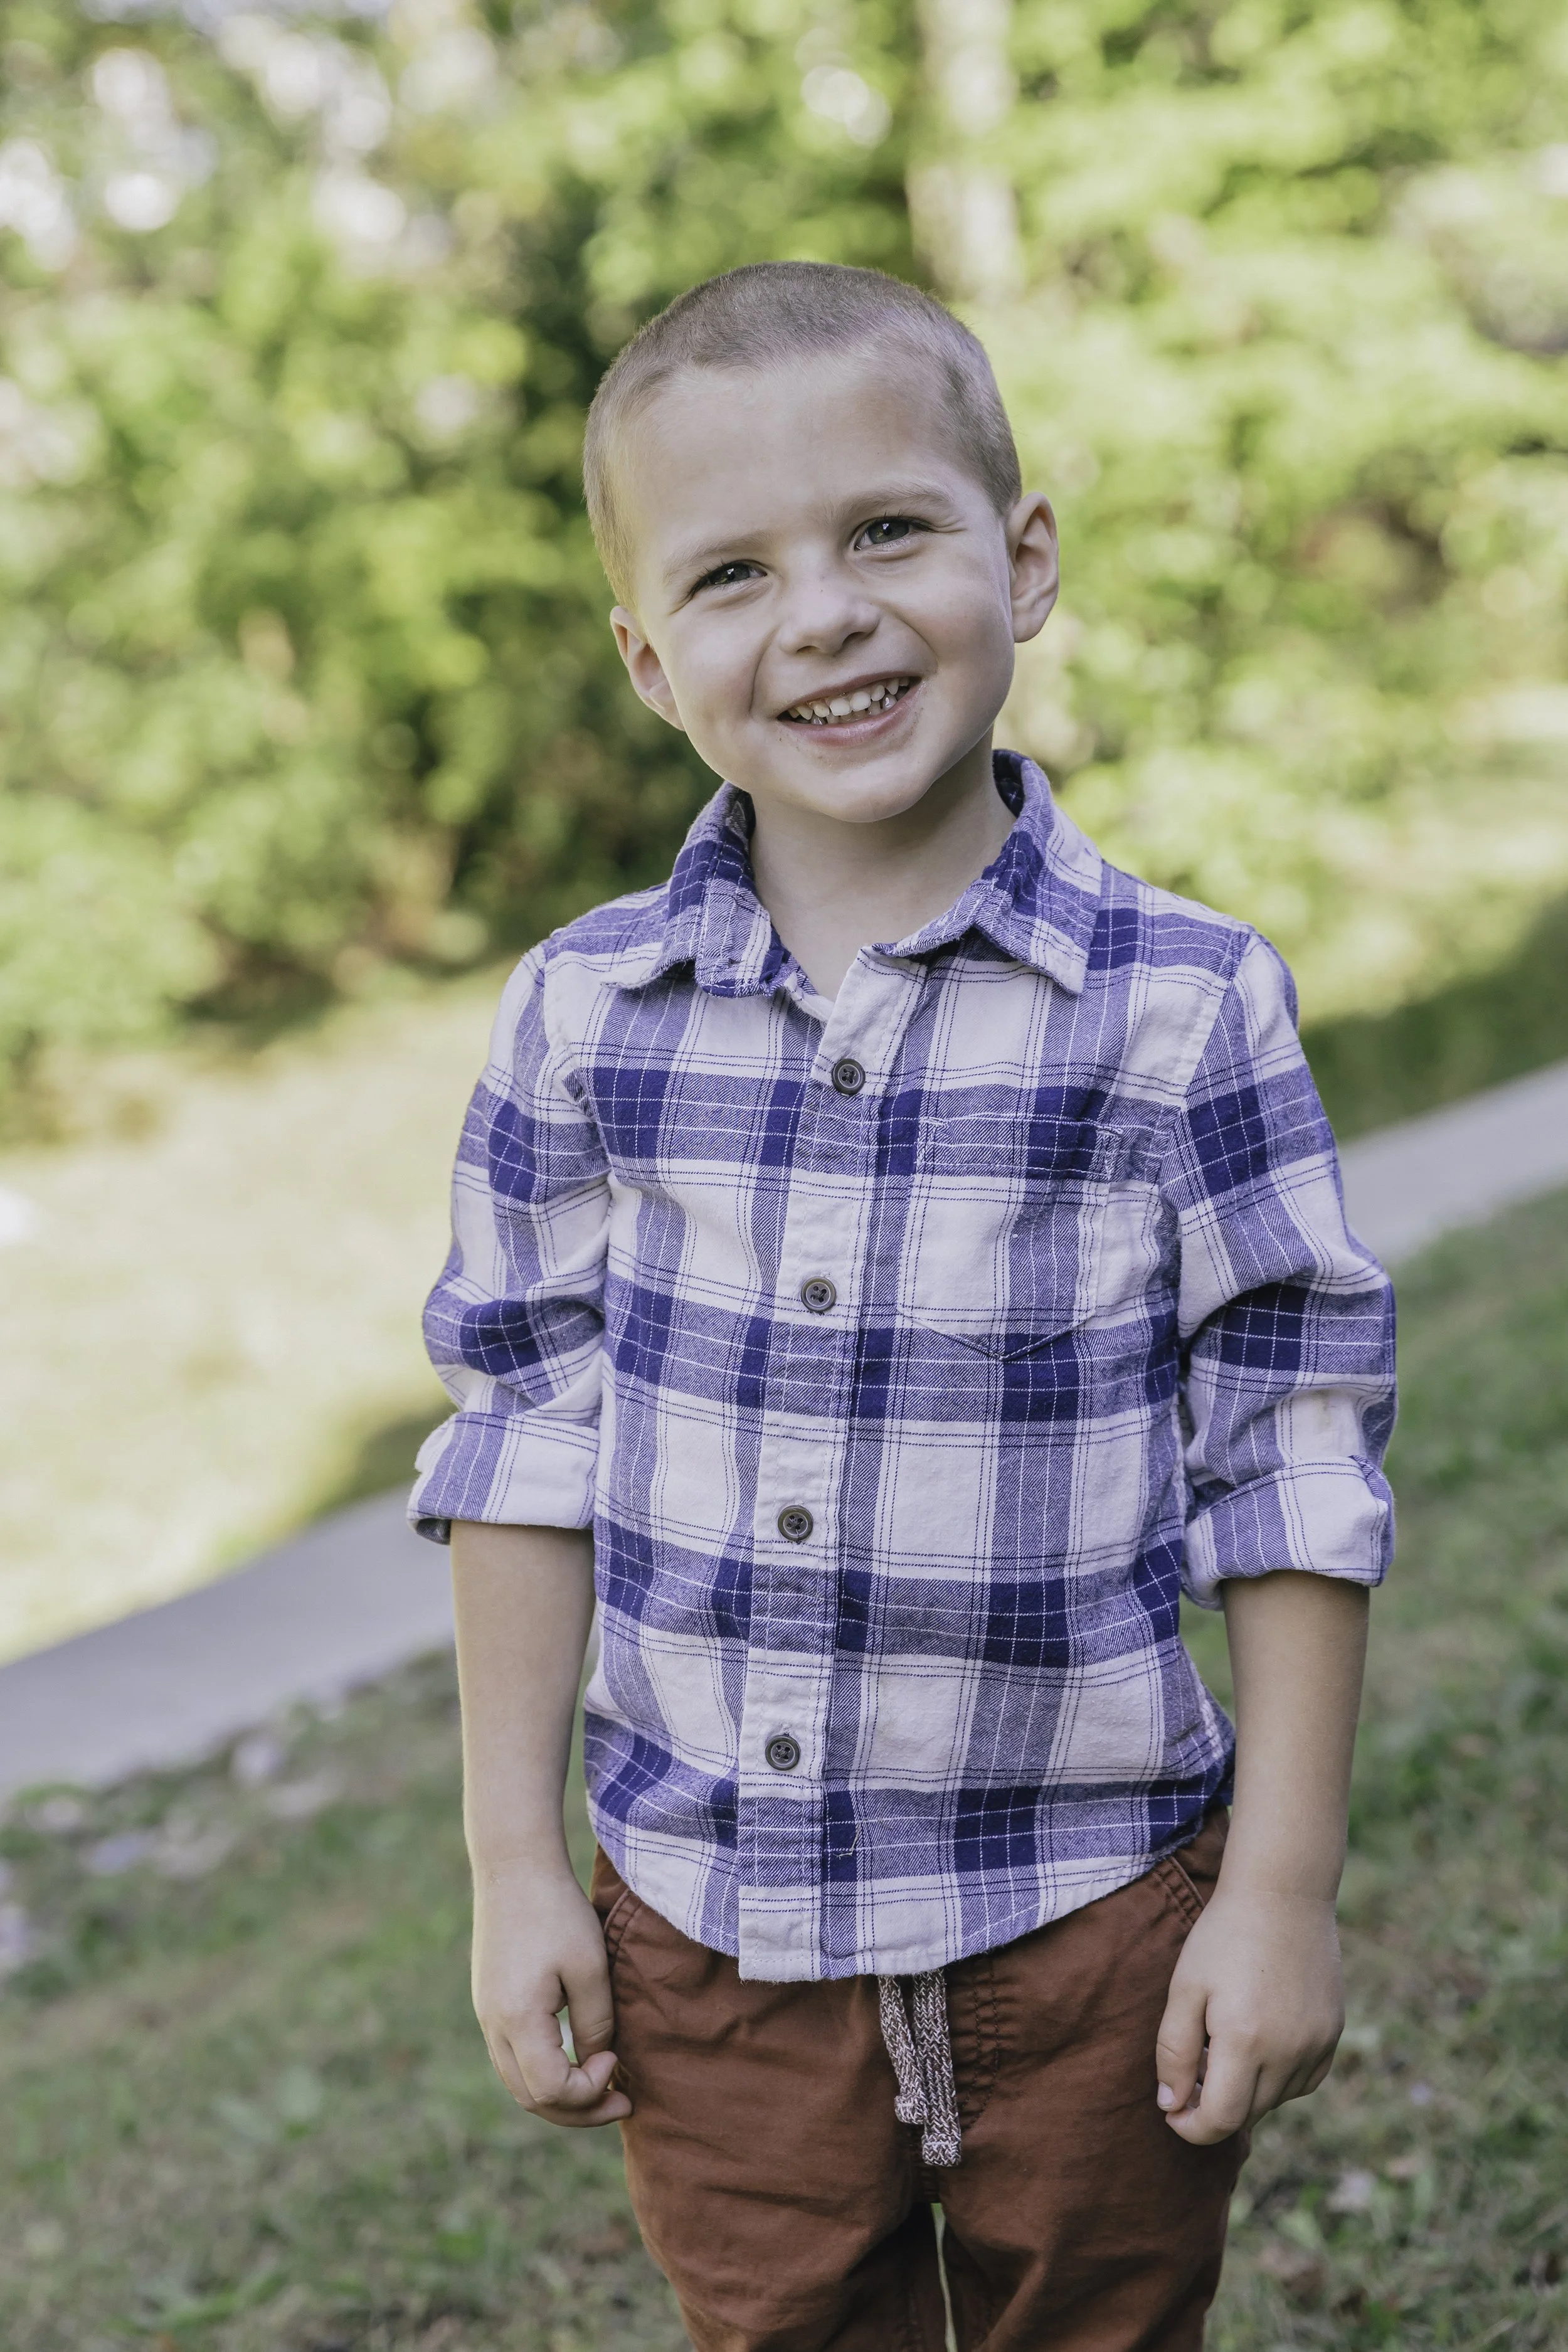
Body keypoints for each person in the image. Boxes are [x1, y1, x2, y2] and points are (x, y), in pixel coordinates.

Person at [408, 262, 1396, 2351]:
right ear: (648, 658)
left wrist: (1278, 1887)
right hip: (709, 1930)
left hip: (1095, 1910)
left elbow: (1294, 1445)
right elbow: (520, 1434)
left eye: (886, 530)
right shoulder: (584, 1017)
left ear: (1018, 558)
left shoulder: (1179, 1006)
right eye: (733, 571)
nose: (827, 613)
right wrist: (515, 1864)